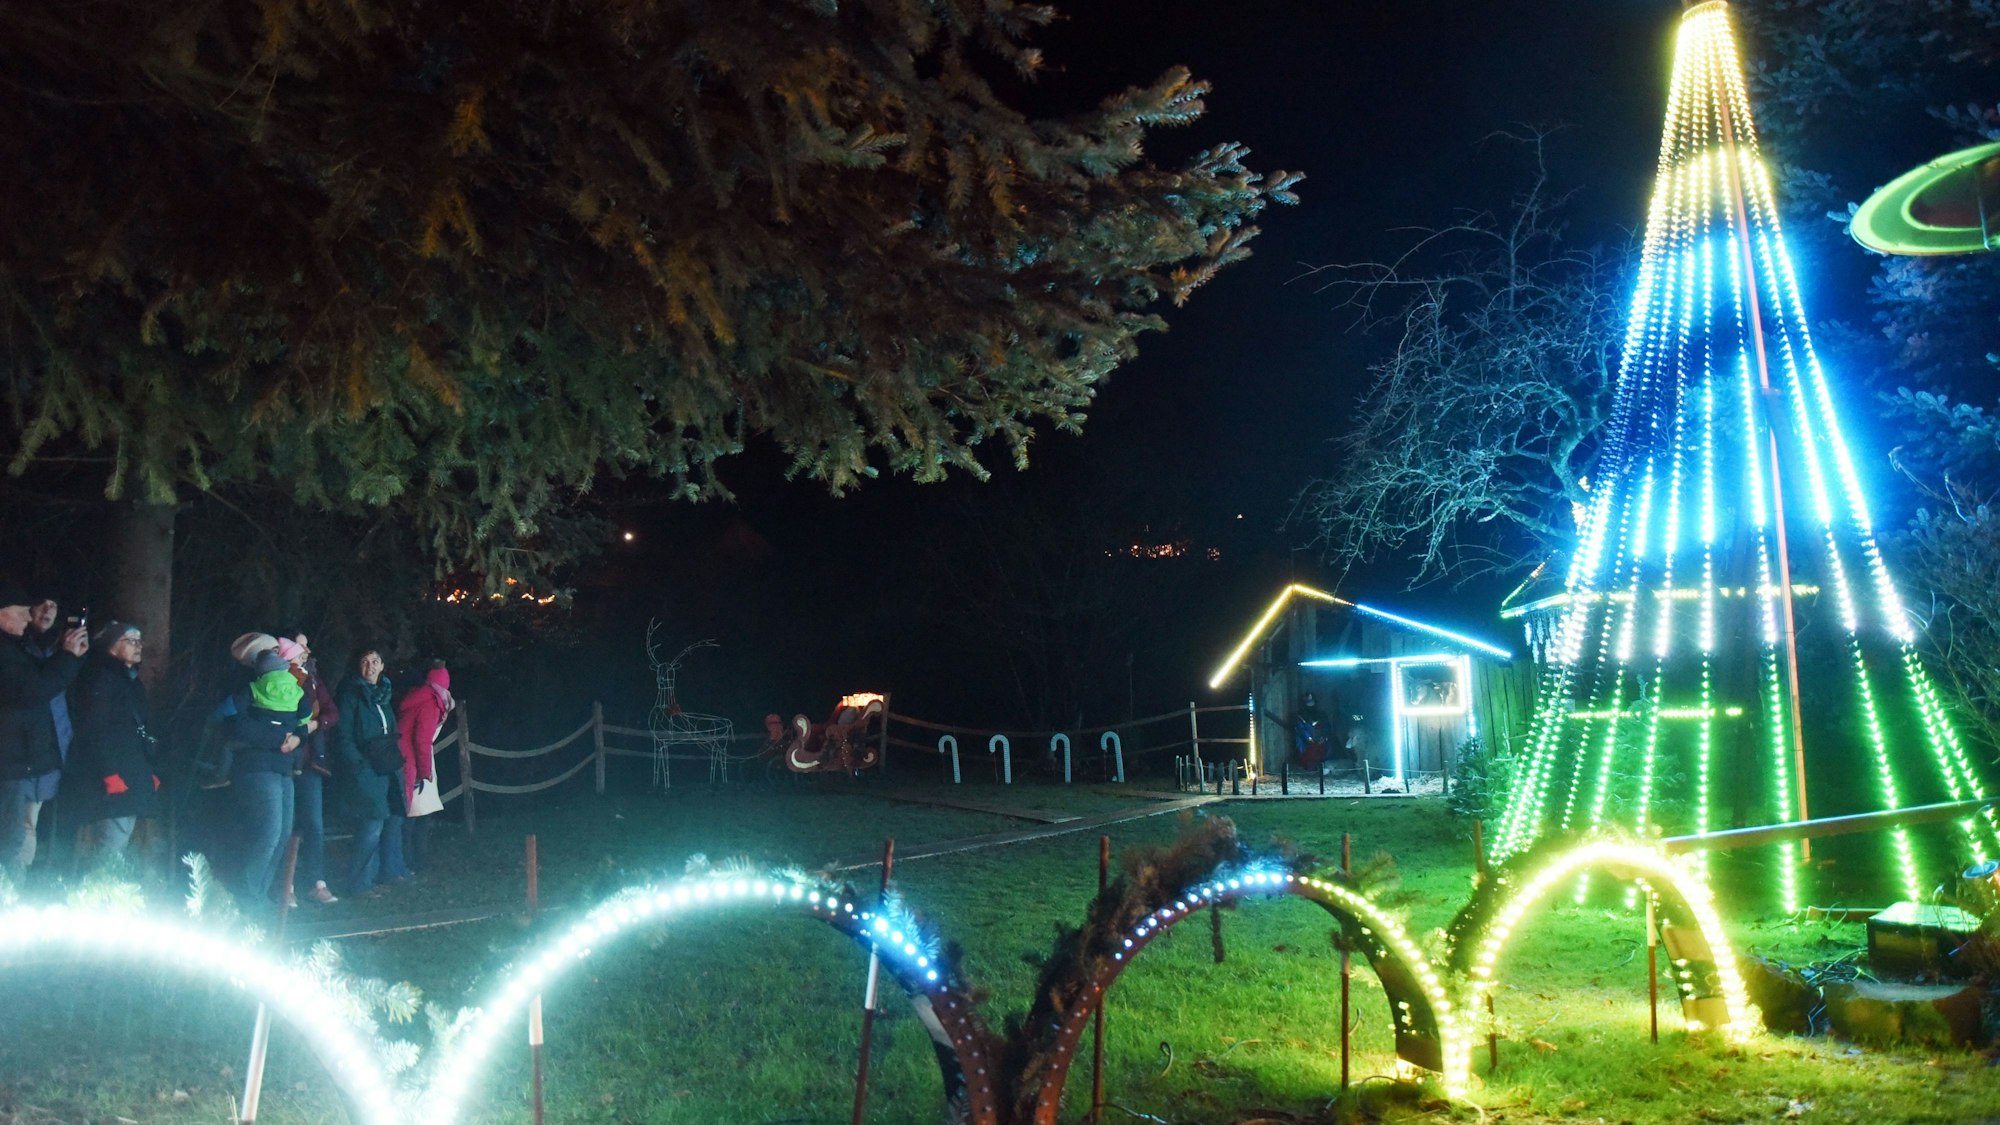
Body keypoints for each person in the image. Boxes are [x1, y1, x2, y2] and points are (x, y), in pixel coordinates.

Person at [0, 582, 86, 884]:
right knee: (11, 839)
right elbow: (33, 689)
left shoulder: (15, 649)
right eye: (23, 612)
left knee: (17, 834)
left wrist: (68, 655)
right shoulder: (6, 652)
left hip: (19, 762)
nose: (28, 618)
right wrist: (67, 658)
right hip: (9, 763)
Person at [225, 646, 312, 909]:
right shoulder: (248, 688)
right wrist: (279, 738)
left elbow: (303, 723)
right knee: (270, 833)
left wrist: (298, 737)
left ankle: (259, 895)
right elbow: (234, 724)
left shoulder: (287, 688)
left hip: (283, 768)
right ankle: (247, 896)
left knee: (283, 834)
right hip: (258, 767)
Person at [66, 622, 157, 863]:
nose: (138, 646)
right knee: (109, 843)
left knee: (122, 837)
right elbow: (95, 729)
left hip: (131, 773)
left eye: (139, 640)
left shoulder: (130, 681)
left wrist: (148, 773)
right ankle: (99, 892)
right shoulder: (101, 678)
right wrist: (108, 773)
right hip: (112, 777)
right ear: (111, 647)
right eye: (130, 641)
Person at [331, 649, 405, 896]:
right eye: (365, 662)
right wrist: (358, 765)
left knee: (381, 822)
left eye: (375, 662)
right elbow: (345, 735)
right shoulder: (352, 695)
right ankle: (358, 884)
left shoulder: (383, 695)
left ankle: (370, 878)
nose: (370, 667)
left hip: (385, 767)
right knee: (371, 824)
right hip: (366, 769)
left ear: (382, 665)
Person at [278, 630, 340, 905]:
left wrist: (314, 725)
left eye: (307, 646)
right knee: (286, 824)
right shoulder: (279, 677)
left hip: (311, 761)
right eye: (300, 645)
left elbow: (331, 712)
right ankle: (284, 886)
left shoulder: (313, 678)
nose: (306, 650)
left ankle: (317, 882)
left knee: (314, 824)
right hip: (287, 760)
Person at [396, 660, 452, 874]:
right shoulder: (431, 702)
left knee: (413, 815)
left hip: (409, 759)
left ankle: (410, 861)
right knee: (416, 815)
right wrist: (425, 771)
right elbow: (422, 740)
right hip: (415, 763)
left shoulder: (418, 696)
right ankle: (414, 862)